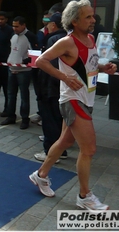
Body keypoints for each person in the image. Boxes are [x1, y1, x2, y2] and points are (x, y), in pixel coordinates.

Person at [29, 0, 117, 211]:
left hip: (87, 100)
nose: (93, 19)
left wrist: (104, 67)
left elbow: (89, 66)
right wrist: (64, 78)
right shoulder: (67, 42)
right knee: (89, 149)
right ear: (75, 21)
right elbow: (40, 61)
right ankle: (84, 195)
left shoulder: (90, 38)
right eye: (88, 16)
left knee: (64, 142)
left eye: (92, 15)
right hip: (72, 101)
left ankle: (40, 175)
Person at [33, 13, 68, 163]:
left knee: (50, 120)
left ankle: (51, 153)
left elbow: (50, 66)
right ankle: (62, 150)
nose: (46, 25)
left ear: (53, 25)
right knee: (60, 120)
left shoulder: (54, 40)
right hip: (64, 87)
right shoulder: (69, 38)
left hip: (52, 86)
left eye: (48, 23)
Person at [0, 16, 32, 129]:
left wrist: (24, 61)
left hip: (24, 71)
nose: (14, 28)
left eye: (17, 26)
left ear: (24, 25)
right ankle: (10, 116)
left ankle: (24, 119)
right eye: (13, 26)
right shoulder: (13, 36)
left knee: (24, 96)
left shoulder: (30, 36)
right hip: (11, 69)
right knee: (10, 95)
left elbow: (35, 54)